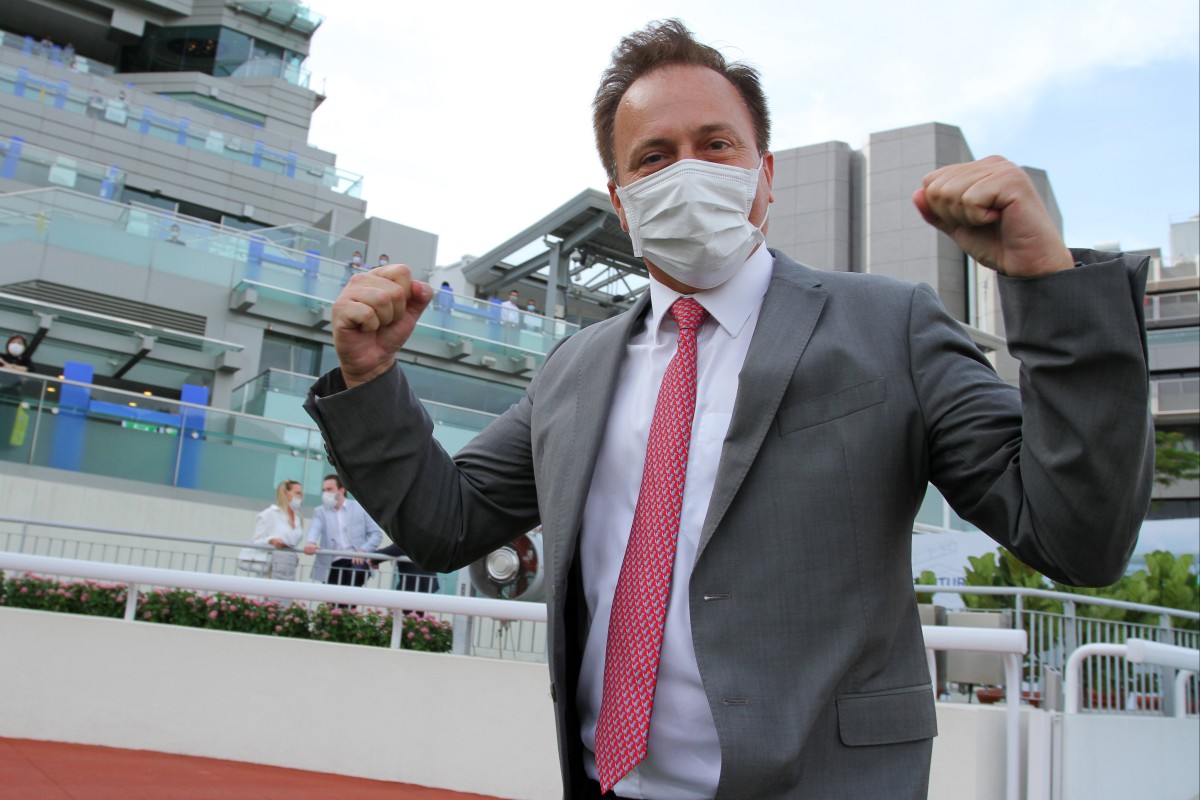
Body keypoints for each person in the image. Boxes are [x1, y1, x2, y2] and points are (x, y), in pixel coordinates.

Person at [305, 20, 1153, 799]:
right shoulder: (572, 369)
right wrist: (372, 378)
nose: (688, 172)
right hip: (607, 783)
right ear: (620, 197)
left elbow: (1075, 536)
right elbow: (445, 524)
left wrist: (1047, 286)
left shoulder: (886, 325)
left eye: (716, 145)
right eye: (654, 157)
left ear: (764, 175)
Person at [303, 474, 384, 597]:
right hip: (332, 562)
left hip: (356, 560)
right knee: (332, 602)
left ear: (342, 490)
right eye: (324, 490)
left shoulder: (360, 507)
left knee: (350, 595)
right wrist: (311, 542)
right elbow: (315, 528)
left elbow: (376, 534)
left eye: (329, 489)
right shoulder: (320, 511)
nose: (325, 493)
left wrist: (363, 550)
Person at [250, 479, 304, 582]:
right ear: (285, 494)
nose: (300, 497)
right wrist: (271, 540)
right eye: (297, 493)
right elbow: (255, 543)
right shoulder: (269, 514)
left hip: (289, 569)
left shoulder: (298, 518)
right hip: (269, 571)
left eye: (301, 494)